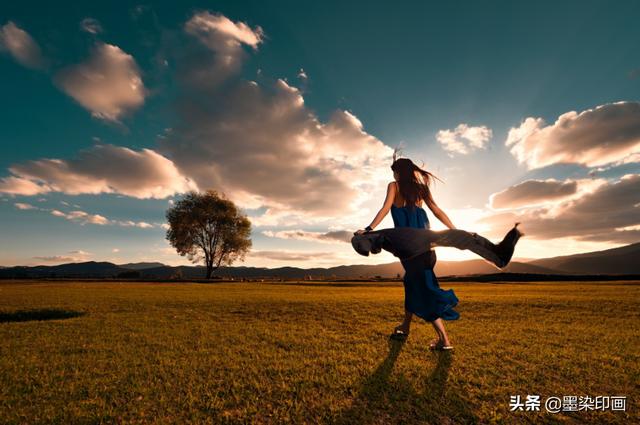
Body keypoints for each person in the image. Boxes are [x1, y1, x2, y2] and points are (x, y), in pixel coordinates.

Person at [353, 153, 522, 351]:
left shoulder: (394, 186)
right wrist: (455, 231)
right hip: (426, 246)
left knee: (421, 290)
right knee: (413, 283)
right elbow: (437, 211)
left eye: (395, 172)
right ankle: (405, 327)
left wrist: (369, 229)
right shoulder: (421, 189)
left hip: (408, 247)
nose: (395, 176)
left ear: (398, 172)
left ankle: (444, 340)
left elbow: (385, 208)